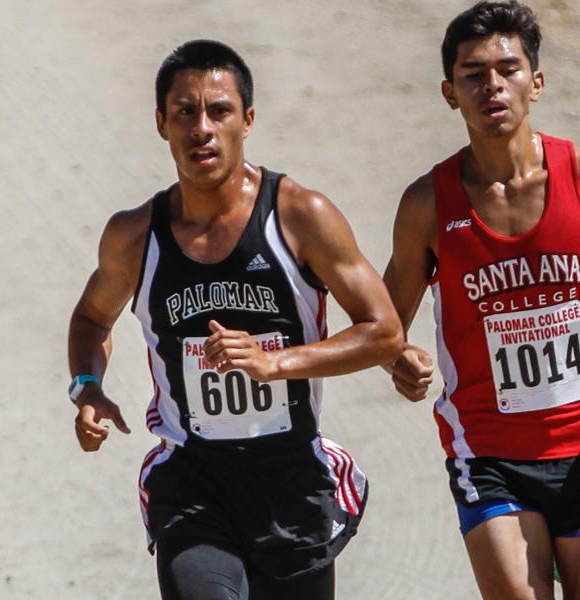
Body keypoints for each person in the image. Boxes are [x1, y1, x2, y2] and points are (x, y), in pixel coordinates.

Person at [68, 40, 403, 600]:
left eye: (219, 110)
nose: (202, 127)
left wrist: (275, 364)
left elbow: (383, 330)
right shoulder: (133, 235)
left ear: (247, 120)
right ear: (161, 124)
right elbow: (90, 318)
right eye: (184, 112)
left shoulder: (300, 215)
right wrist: (86, 385)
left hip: (292, 482)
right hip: (192, 483)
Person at [383, 2, 580, 599]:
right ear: (450, 93)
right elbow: (383, 321)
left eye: (508, 68)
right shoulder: (429, 203)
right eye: (472, 73)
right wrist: (400, 358)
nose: (491, 84)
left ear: (536, 82)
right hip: (487, 451)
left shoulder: (576, 175)